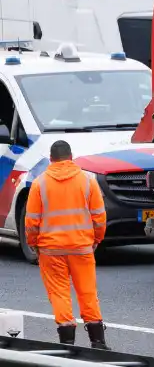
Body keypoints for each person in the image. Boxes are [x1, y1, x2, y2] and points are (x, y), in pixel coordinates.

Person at [24, 140, 109, 349]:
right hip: (81, 247)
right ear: (71, 157)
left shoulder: (40, 183)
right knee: (87, 291)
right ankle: (97, 341)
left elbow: (31, 221)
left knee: (59, 294)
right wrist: (96, 239)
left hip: (51, 249)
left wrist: (33, 244)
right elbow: (99, 217)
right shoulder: (88, 181)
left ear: (51, 160)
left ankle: (67, 343)